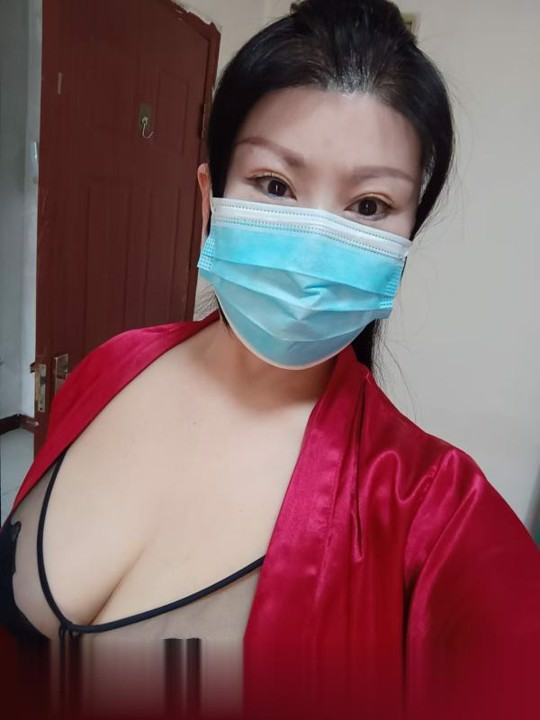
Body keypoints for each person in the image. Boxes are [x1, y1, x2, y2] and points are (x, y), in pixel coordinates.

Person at [1, 0, 539, 718]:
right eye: (276, 185)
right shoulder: (110, 368)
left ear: (405, 243)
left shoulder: (433, 511)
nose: (314, 241)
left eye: (369, 206)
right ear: (210, 199)